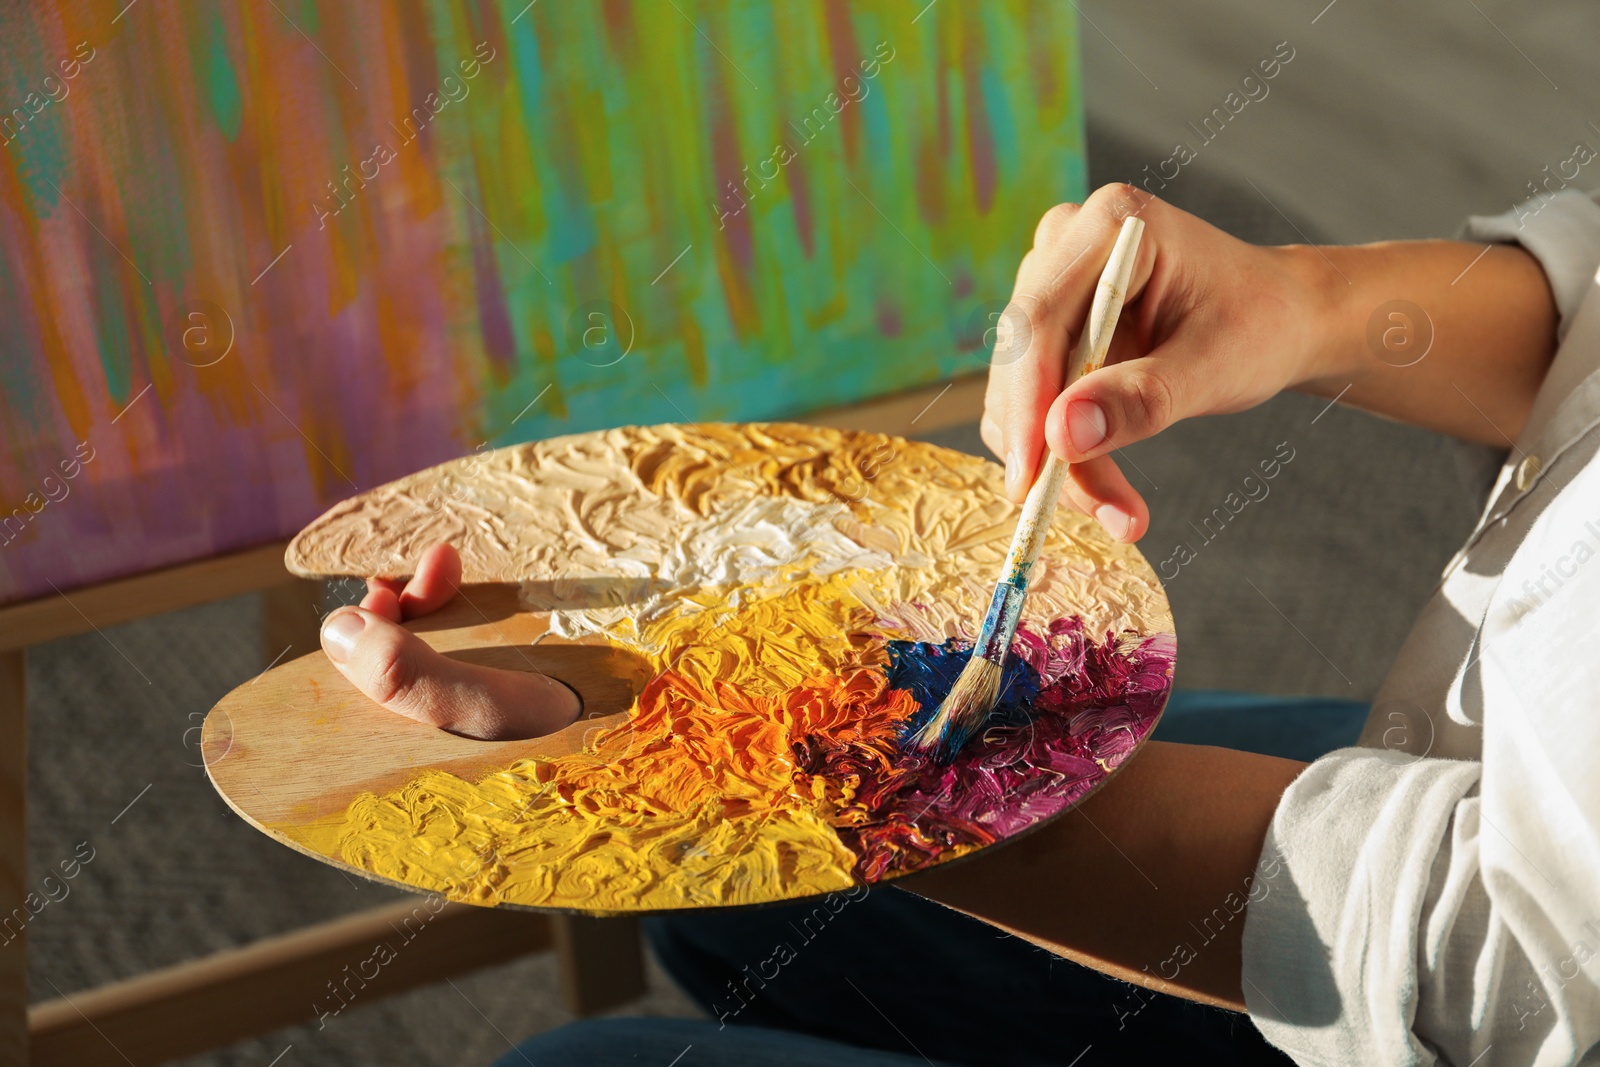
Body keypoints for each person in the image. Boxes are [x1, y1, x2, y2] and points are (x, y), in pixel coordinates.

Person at [318, 182, 1600, 1065]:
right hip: (1507, 779)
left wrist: (725, 758)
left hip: (1512, 956)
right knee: (727, 912)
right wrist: (1307, 301)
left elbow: (1505, 966)